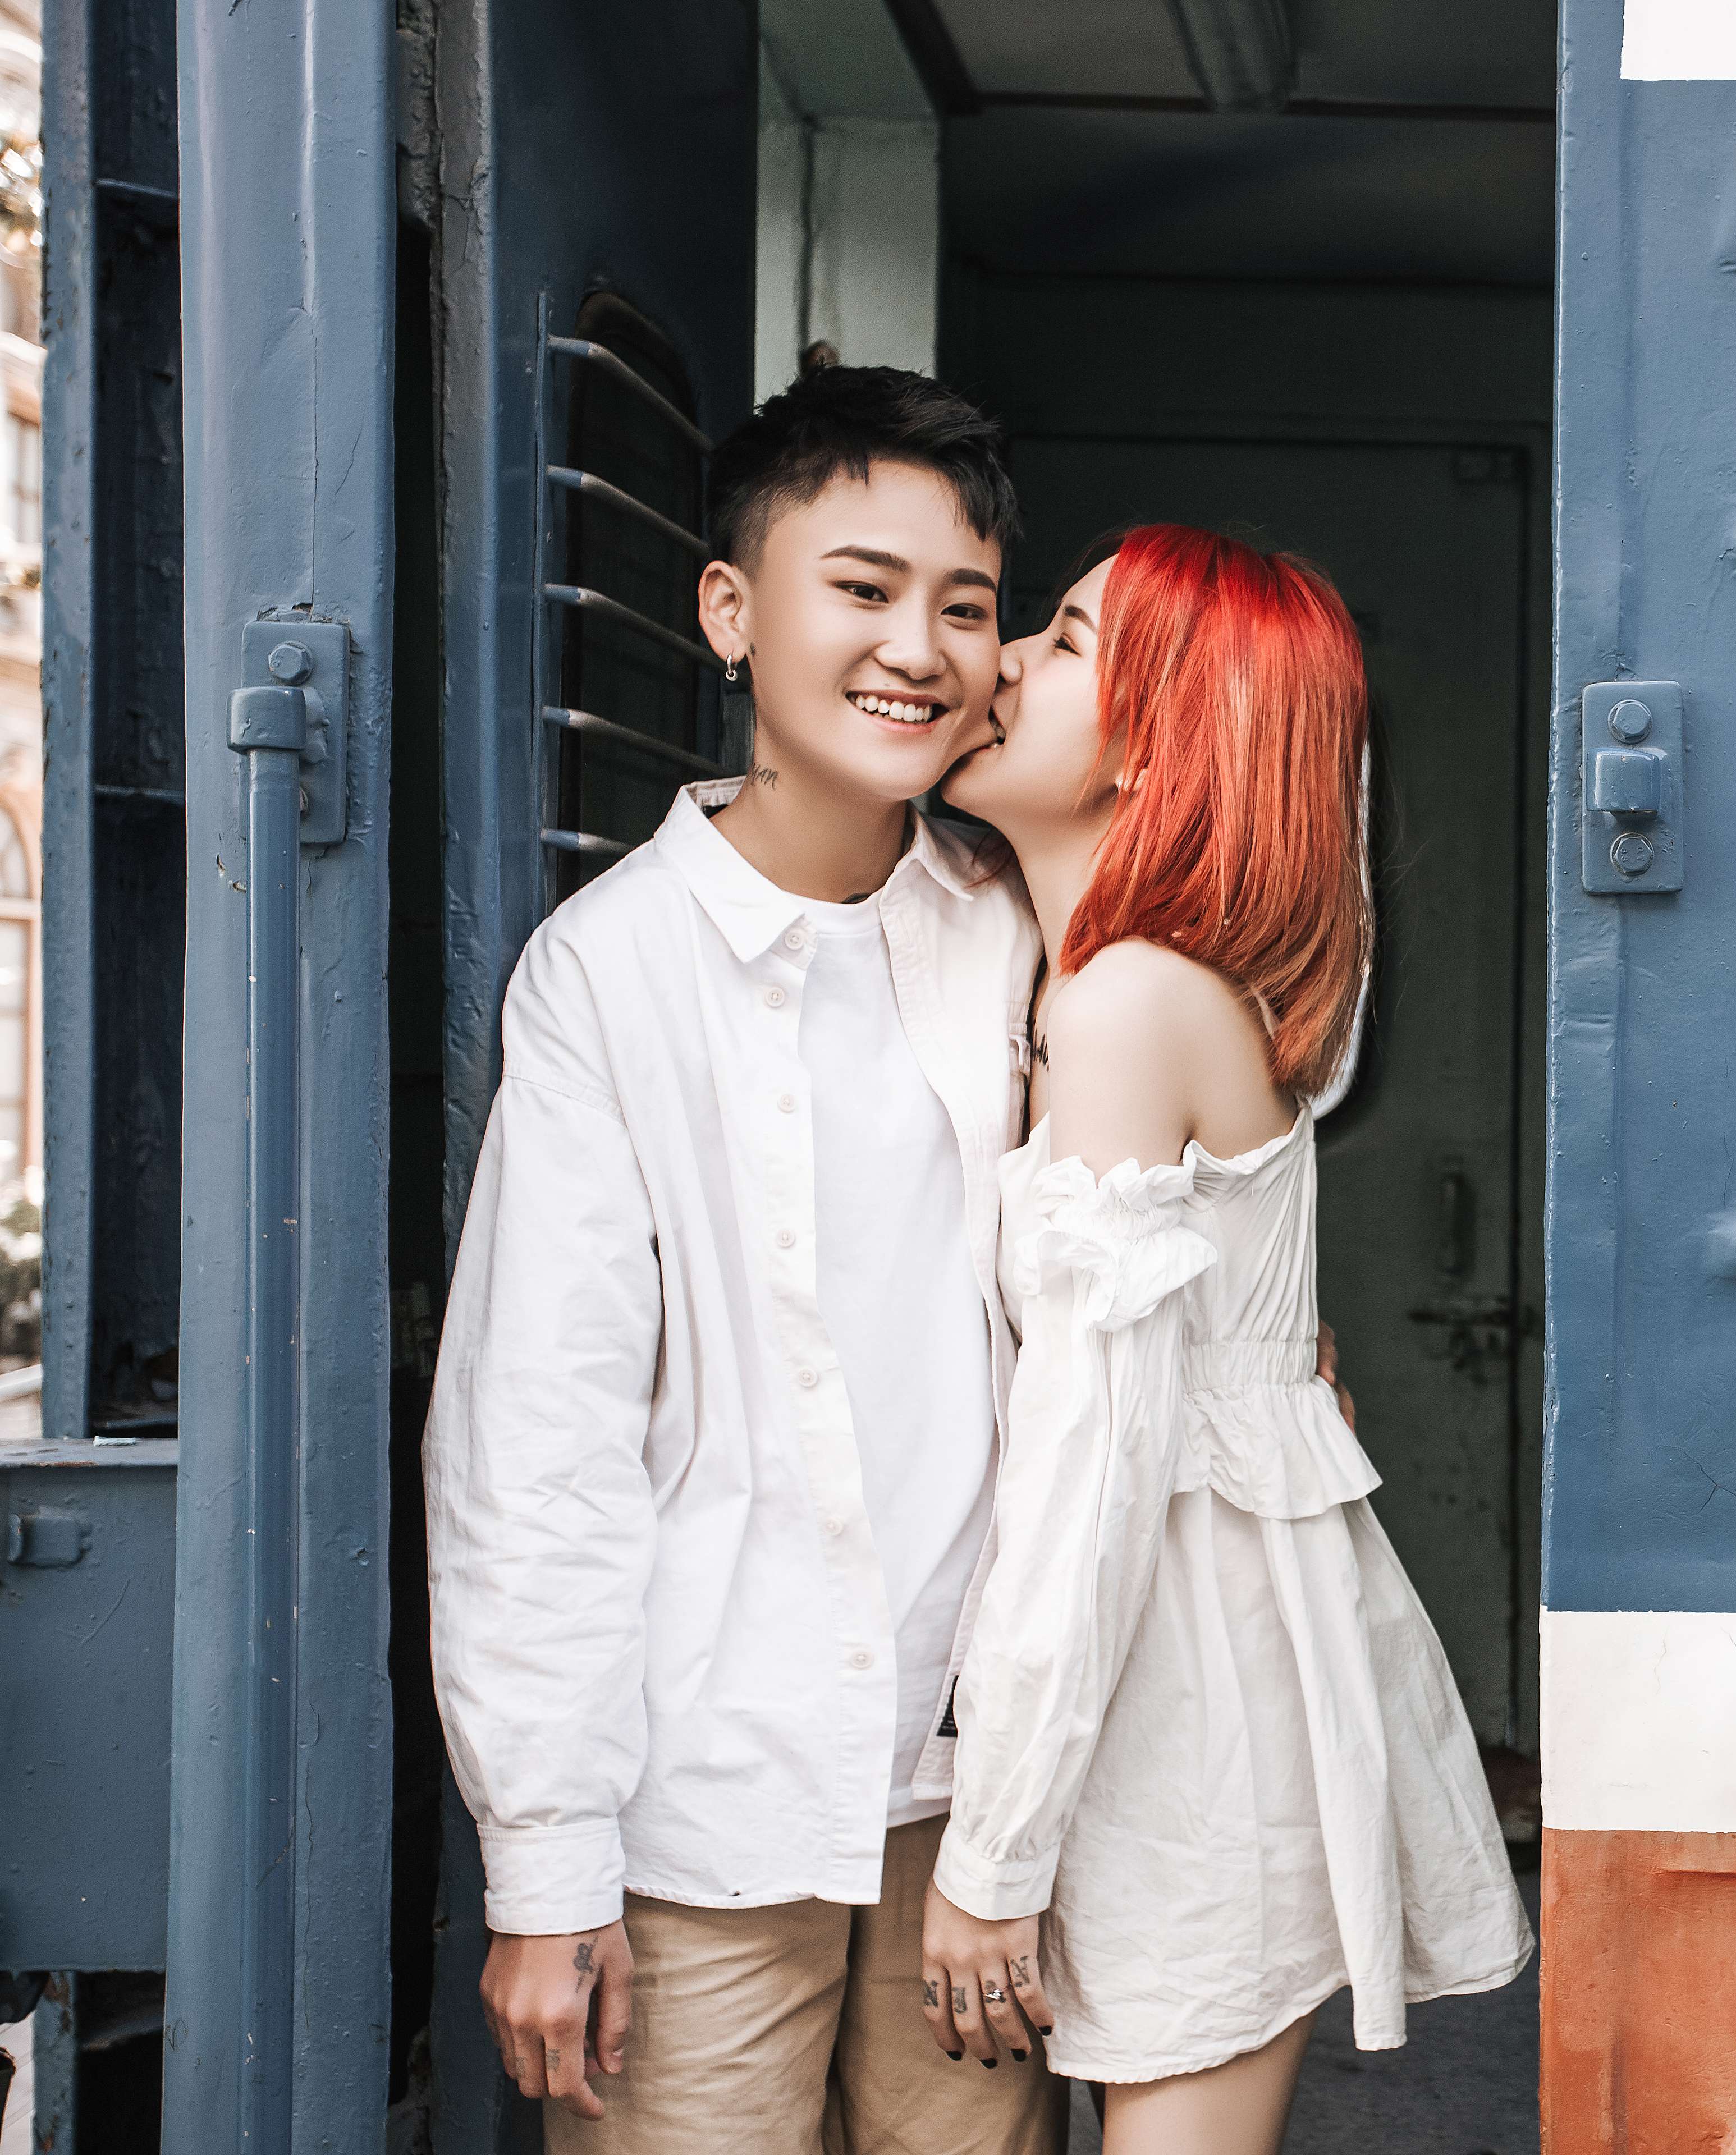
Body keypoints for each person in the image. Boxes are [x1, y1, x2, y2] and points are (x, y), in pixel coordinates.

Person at [423, 362, 1069, 2149]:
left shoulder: (1020, 928)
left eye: (967, 607)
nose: (919, 650)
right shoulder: (606, 971)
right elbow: (537, 1444)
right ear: (731, 611)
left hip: (978, 1805)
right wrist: (545, 1863)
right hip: (705, 1810)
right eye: (863, 588)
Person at [912, 528, 1535, 2152]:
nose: (1001, 660)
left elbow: (1097, 1470)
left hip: (1185, 1692)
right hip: (1196, 1664)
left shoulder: (1127, 1002)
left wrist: (993, 1860)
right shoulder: (1094, 978)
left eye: (1062, 640)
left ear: (1158, 747)